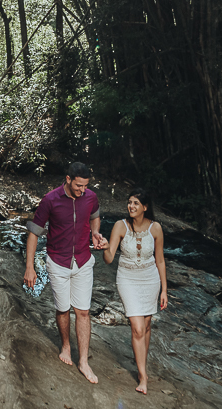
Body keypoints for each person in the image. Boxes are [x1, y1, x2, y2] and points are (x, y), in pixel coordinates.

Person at [23, 162, 108, 384]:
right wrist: (30, 267)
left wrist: (96, 233)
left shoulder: (91, 197)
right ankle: (66, 346)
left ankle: (84, 362)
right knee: (63, 309)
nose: (83, 190)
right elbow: (34, 233)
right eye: (79, 185)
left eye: (86, 186)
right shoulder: (50, 200)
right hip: (57, 262)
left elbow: (95, 215)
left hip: (83, 261)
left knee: (83, 312)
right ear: (68, 179)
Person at [103, 188, 167, 395]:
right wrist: (104, 247)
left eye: (136, 203)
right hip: (127, 279)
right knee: (138, 327)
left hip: (150, 280)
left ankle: (142, 365)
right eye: (130, 202)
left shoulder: (155, 228)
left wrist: (164, 290)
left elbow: (160, 260)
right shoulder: (120, 226)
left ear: (145, 208)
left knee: (147, 325)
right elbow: (109, 258)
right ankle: (142, 376)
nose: (131, 206)